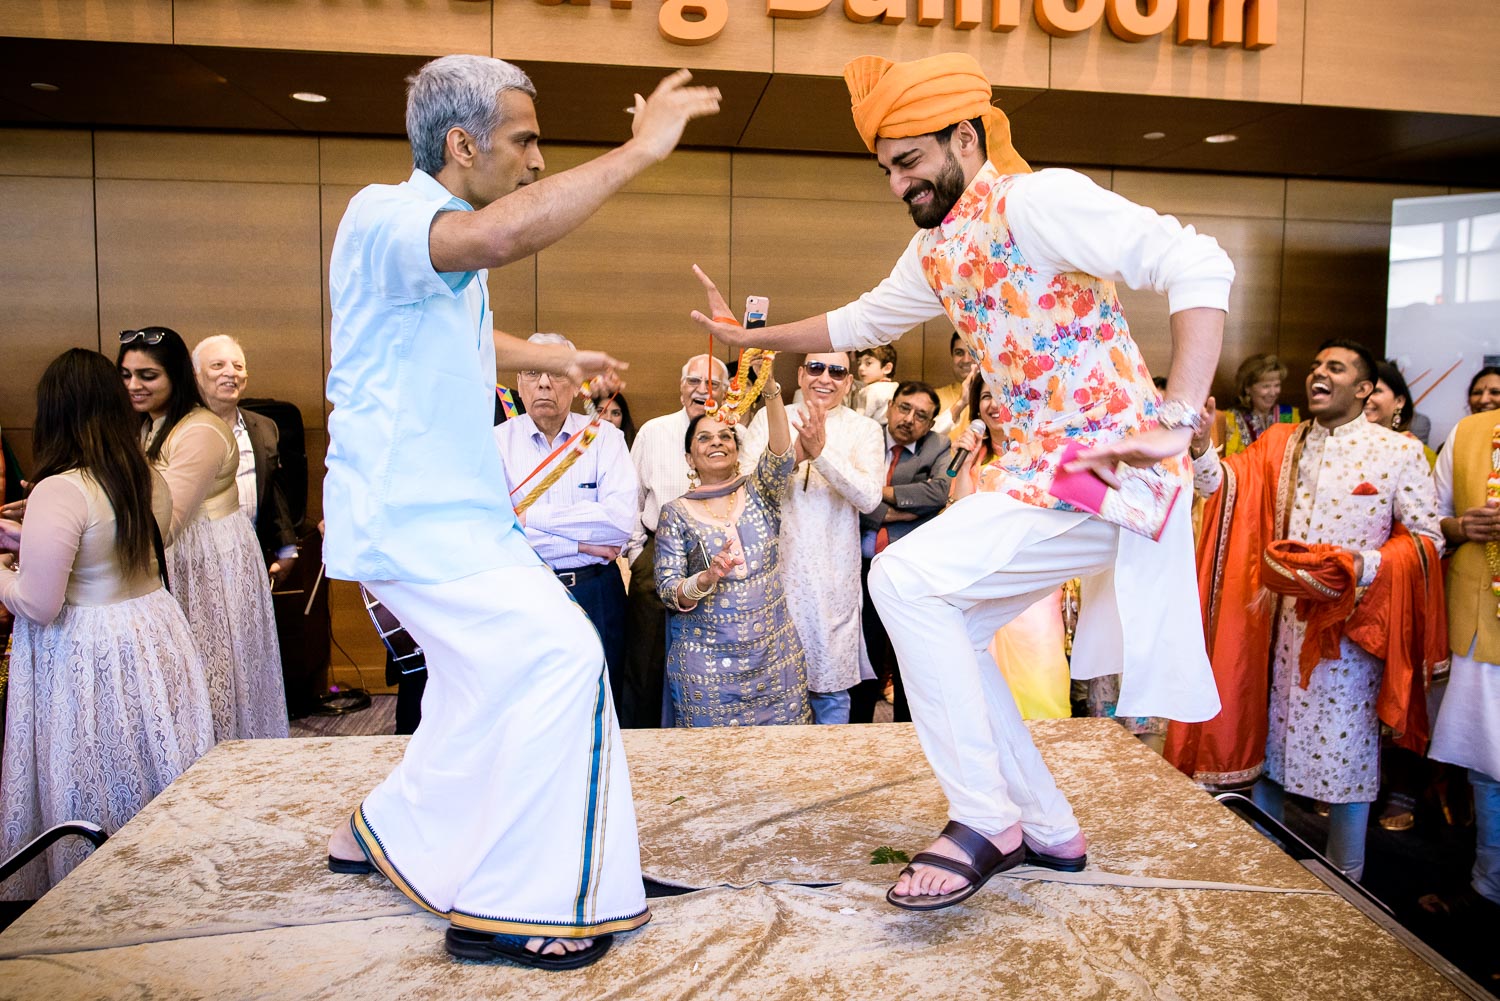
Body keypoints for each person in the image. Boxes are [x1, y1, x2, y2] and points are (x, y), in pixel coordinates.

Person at [691, 52, 1229, 909]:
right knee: (951, 620)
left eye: (910, 162)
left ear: (966, 138)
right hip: (1043, 476)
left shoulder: (1038, 200)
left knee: (902, 577)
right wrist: (744, 332)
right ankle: (1047, 824)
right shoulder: (938, 245)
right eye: (887, 169)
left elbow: (1199, 263)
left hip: (1114, 475)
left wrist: (1179, 412)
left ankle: (983, 817)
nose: (898, 183)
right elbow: (861, 317)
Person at [320, 54, 718, 968]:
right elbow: (497, 241)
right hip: (416, 518)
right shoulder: (390, 213)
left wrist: (541, 357)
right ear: (461, 143)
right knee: (562, 653)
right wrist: (638, 150)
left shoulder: (426, 237)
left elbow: (449, 327)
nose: (539, 161)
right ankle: (516, 899)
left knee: (479, 685)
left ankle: (385, 834)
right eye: (525, 139)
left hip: (448, 515)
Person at [1168, 340, 1446, 880]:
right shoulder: (1281, 443)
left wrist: (1357, 567)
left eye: (1335, 368)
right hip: (1277, 629)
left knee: (1348, 763)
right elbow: (1220, 488)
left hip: (1352, 632)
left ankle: (1348, 883)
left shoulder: (1398, 452)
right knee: (1270, 751)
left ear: (1365, 390)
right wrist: (1201, 448)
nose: (1318, 373)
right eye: (1316, 365)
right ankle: (1273, 873)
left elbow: (1426, 540)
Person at [0, 349, 214, 899]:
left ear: (54, 413)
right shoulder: (145, 475)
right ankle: (165, 875)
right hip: (152, 627)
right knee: (150, 760)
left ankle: (98, 891)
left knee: (93, 766)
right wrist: (28, 540)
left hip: (90, 644)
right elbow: (113, 546)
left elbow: (38, 603)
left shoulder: (59, 488)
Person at [119, 326, 289, 742]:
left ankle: (223, 768)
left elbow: (167, 522)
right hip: (175, 555)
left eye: (147, 375)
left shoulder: (200, 430)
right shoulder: (146, 425)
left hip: (209, 557)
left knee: (216, 672)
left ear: (176, 376)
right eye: (126, 375)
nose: (134, 386)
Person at [654, 366, 810, 726]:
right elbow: (668, 590)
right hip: (707, 667)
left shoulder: (759, 492)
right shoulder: (675, 513)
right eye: (704, 439)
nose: (717, 442)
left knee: (781, 760)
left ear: (737, 452)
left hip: (773, 659)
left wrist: (770, 389)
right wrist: (705, 579)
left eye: (726, 436)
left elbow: (782, 454)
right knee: (717, 769)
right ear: (690, 459)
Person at [494, 333, 637, 719]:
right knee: (526, 708)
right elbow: (492, 529)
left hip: (595, 591)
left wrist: (527, 516)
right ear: (519, 386)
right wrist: (579, 543)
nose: (543, 383)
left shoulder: (605, 438)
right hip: (524, 591)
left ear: (576, 384)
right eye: (531, 372)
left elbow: (620, 524)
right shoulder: (495, 444)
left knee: (599, 708)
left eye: (556, 372)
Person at [742, 352, 884, 724]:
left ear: (849, 382)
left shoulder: (864, 429)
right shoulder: (769, 418)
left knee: (831, 691)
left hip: (832, 583)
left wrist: (822, 453)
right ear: (802, 374)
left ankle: (832, 779)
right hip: (776, 577)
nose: (826, 378)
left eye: (837, 371)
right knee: (771, 693)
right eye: (817, 368)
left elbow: (869, 496)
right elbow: (747, 487)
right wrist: (793, 455)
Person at [949, 377, 1073, 723]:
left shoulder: (1043, 454)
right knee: (982, 685)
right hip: (983, 584)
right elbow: (960, 514)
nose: (993, 404)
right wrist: (966, 461)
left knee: (1040, 674)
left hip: (1033, 584)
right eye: (986, 397)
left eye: (1002, 395)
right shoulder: (973, 458)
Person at [623, 353, 729, 728]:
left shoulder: (736, 434)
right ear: (681, 386)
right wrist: (638, 554)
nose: (703, 390)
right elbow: (630, 497)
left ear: (728, 390)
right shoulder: (655, 431)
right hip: (656, 552)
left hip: (718, 557)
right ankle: (638, 743)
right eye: (694, 381)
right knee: (646, 658)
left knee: (707, 657)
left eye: (713, 383)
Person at [1427, 404, 1500, 916]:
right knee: (1485, 764)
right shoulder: (1471, 432)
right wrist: (1458, 526)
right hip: (1482, 620)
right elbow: (1430, 517)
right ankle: (1487, 888)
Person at [852, 381, 949, 723]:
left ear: (931, 424)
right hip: (859, 568)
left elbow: (938, 493)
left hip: (908, 571)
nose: (909, 419)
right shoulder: (864, 435)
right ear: (891, 406)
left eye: (921, 415)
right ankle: (858, 733)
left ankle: (911, 734)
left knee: (909, 657)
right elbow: (847, 492)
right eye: (904, 408)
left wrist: (876, 492)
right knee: (865, 655)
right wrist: (887, 511)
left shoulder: (937, 445)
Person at [192, 335, 301, 583]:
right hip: (196, 563)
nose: (230, 373)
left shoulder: (264, 428)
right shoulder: (181, 431)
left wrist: (287, 549)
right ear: (196, 375)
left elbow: (273, 491)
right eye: (218, 366)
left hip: (250, 560)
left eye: (238, 366)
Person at [1216, 352, 1298, 455]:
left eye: (1277, 385)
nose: (1273, 393)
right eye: (1266, 386)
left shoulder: (1289, 414)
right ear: (1247, 388)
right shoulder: (1230, 419)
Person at [1366, 359, 1435, 468]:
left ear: (1399, 401)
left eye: (1376, 391)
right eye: (1361, 390)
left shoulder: (1414, 451)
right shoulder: (1338, 444)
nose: (1366, 399)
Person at [932, 331, 976, 440]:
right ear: (952, 356)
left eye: (972, 353)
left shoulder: (1000, 398)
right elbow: (925, 439)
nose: (966, 360)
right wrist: (961, 404)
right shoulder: (934, 397)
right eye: (959, 353)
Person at [854, 345, 899, 424]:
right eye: (859, 363)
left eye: (868, 363)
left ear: (887, 368)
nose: (861, 368)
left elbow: (861, 420)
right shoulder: (896, 387)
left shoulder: (872, 390)